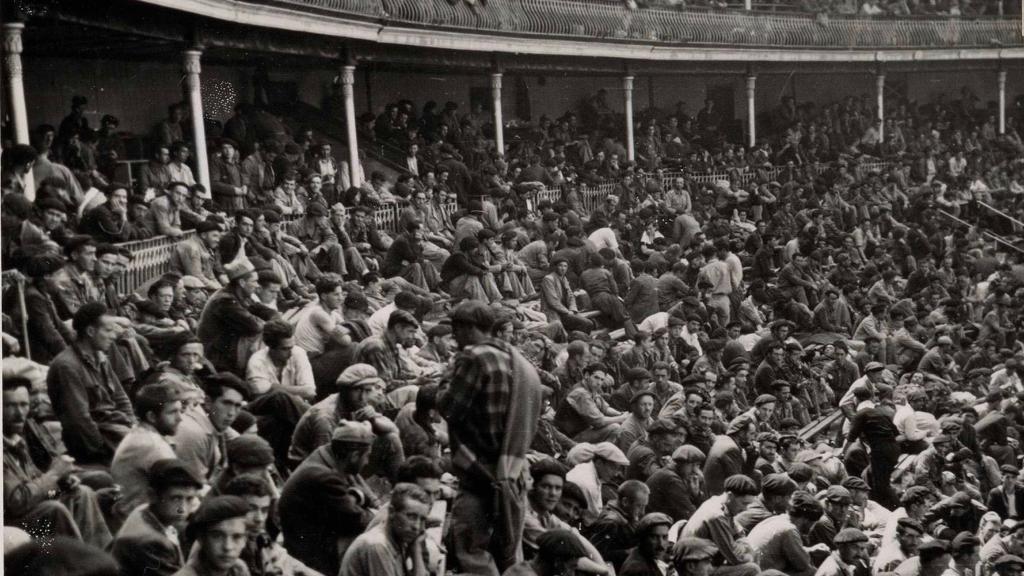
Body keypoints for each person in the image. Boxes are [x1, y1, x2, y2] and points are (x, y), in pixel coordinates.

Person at [439, 300, 544, 576]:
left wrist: (441, 382)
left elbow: (449, 408)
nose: (454, 335)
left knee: (473, 552)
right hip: (513, 470)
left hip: (480, 472)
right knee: (509, 551)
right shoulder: (518, 361)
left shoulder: (474, 357)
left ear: (469, 327)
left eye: (456, 328)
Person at [3, 376, 113, 549]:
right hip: (12, 523)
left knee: (80, 493)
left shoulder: (17, 440)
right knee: (54, 509)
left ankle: (100, 557)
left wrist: (60, 483)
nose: (19, 413)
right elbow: (15, 504)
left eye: (24, 405)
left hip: (31, 510)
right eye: (10, 406)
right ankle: (80, 565)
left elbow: (34, 482)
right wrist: (53, 474)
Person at [279, 422, 377, 576]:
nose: (367, 462)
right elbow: (357, 520)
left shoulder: (327, 456)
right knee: (375, 543)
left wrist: (358, 497)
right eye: (367, 456)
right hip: (311, 555)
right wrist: (376, 514)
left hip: (309, 539)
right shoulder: (324, 476)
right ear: (354, 456)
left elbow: (356, 496)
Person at [46, 302, 135, 465]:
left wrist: (133, 427)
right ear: (91, 331)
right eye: (108, 330)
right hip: (95, 444)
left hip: (116, 430)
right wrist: (104, 452)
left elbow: (121, 398)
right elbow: (80, 421)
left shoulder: (100, 358)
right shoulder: (67, 366)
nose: (113, 336)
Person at [110, 459, 203, 576]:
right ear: (152, 495)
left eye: (189, 499)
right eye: (175, 499)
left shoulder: (144, 510)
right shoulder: (151, 543)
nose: (182, 509)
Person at [110, 383, 184, 518]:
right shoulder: (152, 445)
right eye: (173, 412)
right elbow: (181, 488)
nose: (180, 418)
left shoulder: (142, 434)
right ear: (152, 417)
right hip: (138, 523)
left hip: (136, 515)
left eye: (180, 411)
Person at [339, 483, 432, 576]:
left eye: (423, 519)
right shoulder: (378, 545)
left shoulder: (397, 538)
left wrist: (416, 548)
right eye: (411, 516)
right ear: (391, 512)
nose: (417, 526)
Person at [680, 474, 761, 576]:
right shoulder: (716, 515)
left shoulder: (719, 503)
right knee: (752, 569)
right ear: (730, 496)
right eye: (744, 504)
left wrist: (741, 545)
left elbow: (740, 534)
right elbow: (736, 559)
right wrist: (749, 555)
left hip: (707, 563)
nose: (745, 509)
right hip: (696, 570)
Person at [173, 373, 247, 482]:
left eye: (237, 406)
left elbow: (245, 444)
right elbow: (193, 486)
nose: (231, 413)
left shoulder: (213, 420)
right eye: (226, 403)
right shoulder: (194, 432)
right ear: (208, 402)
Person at [197, 258, 264, 376]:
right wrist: (269, 321)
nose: (257, 285)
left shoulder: (239, 293)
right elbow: (255, 326)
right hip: (217, 358)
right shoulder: (224, 300)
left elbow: (262, 310)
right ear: (242, 283)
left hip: (227, 349)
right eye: (254, 281)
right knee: (263, 335)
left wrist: (273, 317)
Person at [746, 491, 824, 576]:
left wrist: (810, 550)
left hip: (755, 571)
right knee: (812, 571)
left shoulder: (775, 519)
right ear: (806, 519)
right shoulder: (789, 529)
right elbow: (803, 565)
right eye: (813, 523)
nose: (812, 528)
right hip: (763, 573)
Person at [174, 495, 250, 576]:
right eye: (217, 536)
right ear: (201, 539)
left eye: (237, 537)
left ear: (245, 540)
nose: (228, 547)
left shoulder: (238, 569)